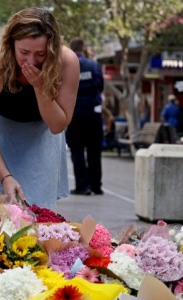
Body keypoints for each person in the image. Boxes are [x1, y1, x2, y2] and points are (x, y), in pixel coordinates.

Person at [0, 8, 79, 208]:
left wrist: (40, 86)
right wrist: (5, 177)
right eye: (24, 52)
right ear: (11, 44)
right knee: (6, 213)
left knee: (39, 208)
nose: (31, 61)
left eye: (41, 54)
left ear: (53, 48)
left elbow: (57, 126)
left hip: (42, 134)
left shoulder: (67, 62)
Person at [65, 37, 105, 196]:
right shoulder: (94, 65)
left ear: (71, 48)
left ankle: (82, 186)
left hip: (75, 114)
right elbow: (100, 86)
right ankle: (96, 186)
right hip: (93, 114)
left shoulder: (66, 67)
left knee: (77, 151)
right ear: (83, 48)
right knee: (95, 151)